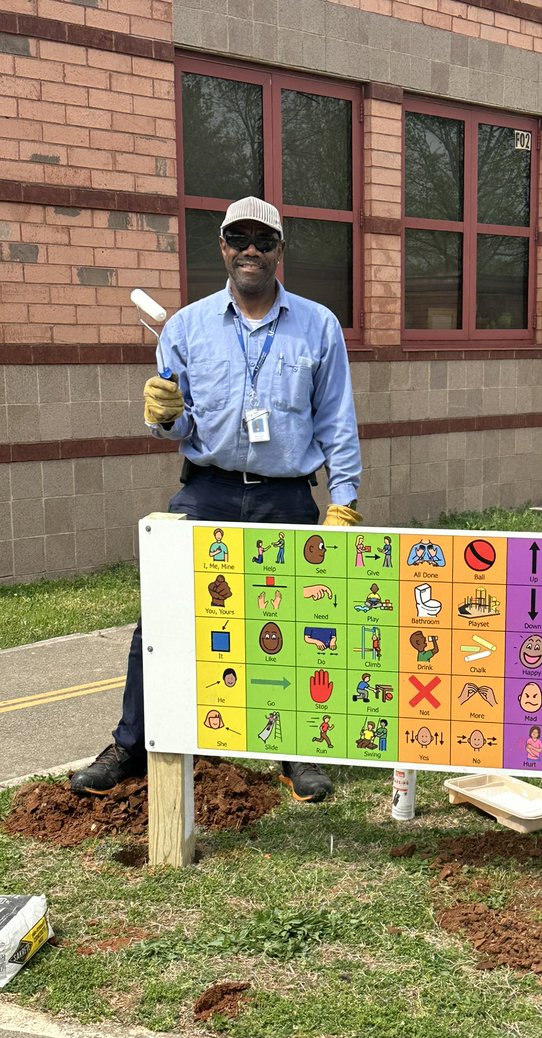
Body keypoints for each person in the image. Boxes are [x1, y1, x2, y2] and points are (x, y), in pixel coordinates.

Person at [71, 196, 362, 805]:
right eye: (239, 238)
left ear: (280, 250)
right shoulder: (185, 328)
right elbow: (177, 425)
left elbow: (338, 422)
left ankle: (297, 752)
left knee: (299, 623)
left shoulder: (319, 326)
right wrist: (162, 417)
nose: (250, 248)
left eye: (263, 238)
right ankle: (131, 744)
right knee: (163, 617)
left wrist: (345, 500)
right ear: (223, 247)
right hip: (207, 491)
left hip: (287, 498)